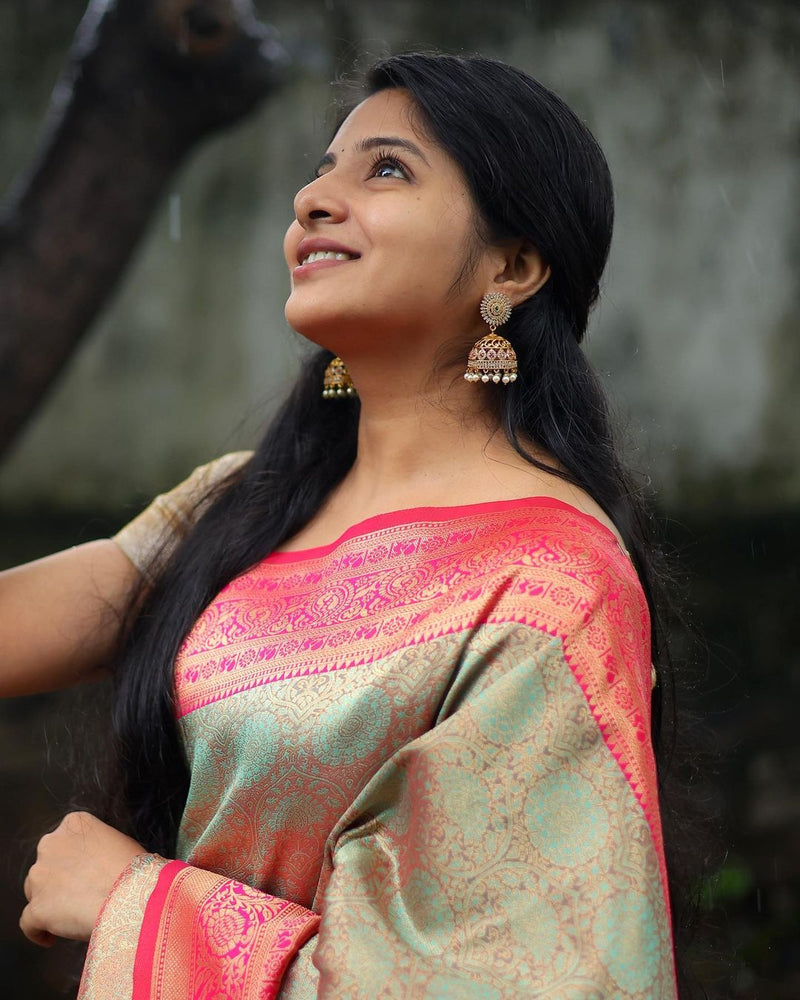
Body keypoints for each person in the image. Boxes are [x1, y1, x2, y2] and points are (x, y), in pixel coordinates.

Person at [6, 53, 679, 998]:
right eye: (323, 168)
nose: (315, 199)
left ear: (513, 266)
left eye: (387, 169)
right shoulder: (242, 508)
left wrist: (132, 899)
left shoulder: (553, 587)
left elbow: (501, 977)